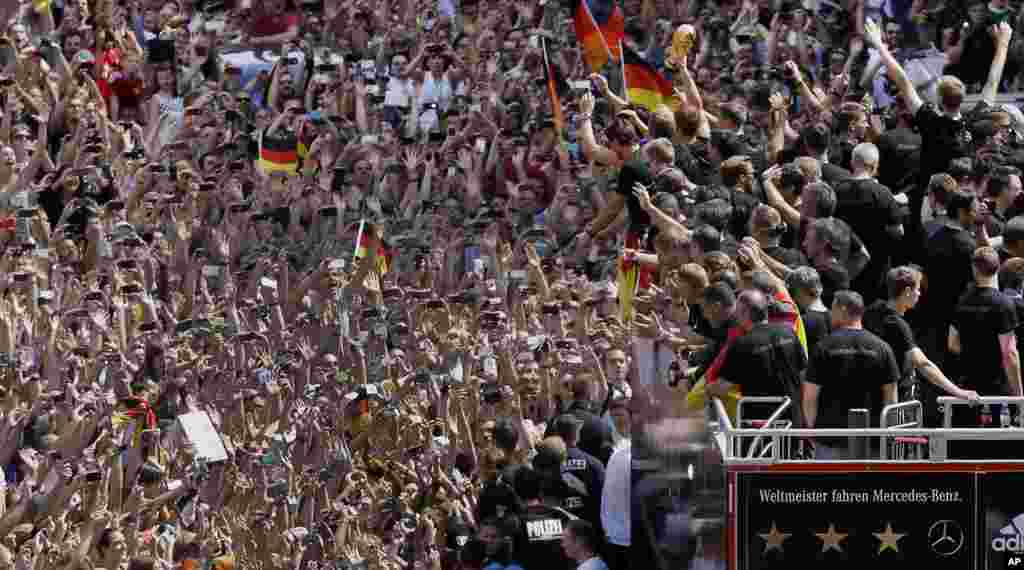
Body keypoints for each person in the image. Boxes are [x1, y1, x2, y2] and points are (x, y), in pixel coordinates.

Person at [802, 290, 901, 458]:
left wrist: (813, 431)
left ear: (842, 309)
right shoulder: (882, 348)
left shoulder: (823, 347)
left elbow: (810, 397)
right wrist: (886, 435)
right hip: (871, 440)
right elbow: (891, 399)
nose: (829, 313)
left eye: (832, 308)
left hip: (831, 439)